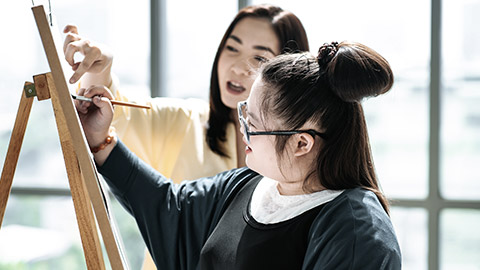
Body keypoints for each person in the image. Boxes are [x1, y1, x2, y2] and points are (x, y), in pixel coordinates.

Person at [75, 41, 402, 269]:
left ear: (302, 143)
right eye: (245, 113)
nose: (242, 128)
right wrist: (101, 140)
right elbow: (169, 207)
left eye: (254, 124)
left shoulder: (357, 233)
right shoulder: (248, 185)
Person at [64, 5, 309, 268]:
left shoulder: (300, 154)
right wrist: (99, 67)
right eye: (232, 48)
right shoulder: (186, 120)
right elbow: (111, 113)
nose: (238, 67)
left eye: (259, 59)